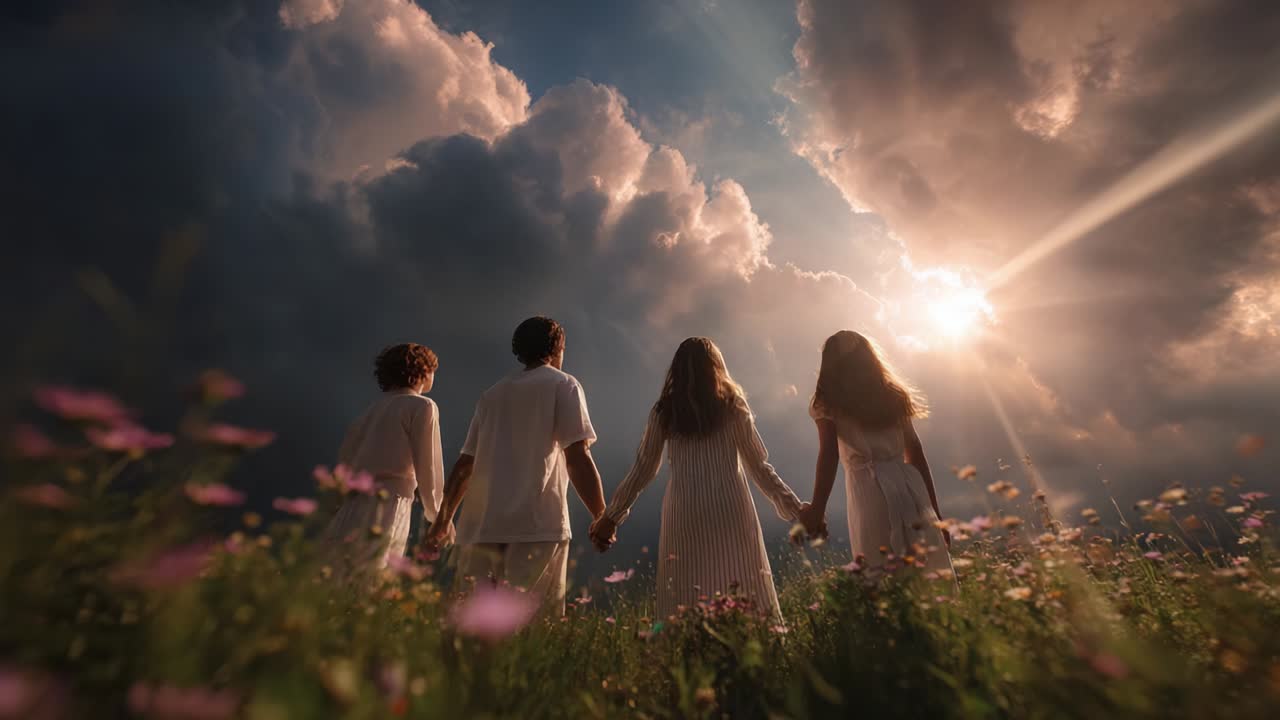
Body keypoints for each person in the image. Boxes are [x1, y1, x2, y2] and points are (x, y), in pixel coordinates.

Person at [589, 337, 806, 621]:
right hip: (731, 509)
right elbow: (759, 468)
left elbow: (644, 469)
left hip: (684, 512)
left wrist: (611, 517)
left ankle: (688, 644)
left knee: (686, 592)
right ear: (716, 367)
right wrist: (797, 511)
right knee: (741, 584)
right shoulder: (733, 406)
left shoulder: (665, 411)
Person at [424, 316, 608, 616]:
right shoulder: (564, 385)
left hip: (482, 529)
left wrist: (443, 520)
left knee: (476, 624)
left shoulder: (492, 395)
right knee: (533, 626)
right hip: (537, 526)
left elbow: (465, 465)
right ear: (558, 348)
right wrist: (601, 515)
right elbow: (577, 457)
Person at [796, 330, 951, 572]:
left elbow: (829, 455)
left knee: (878, 566)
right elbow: (916, 453)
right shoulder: (893, 395)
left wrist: (817, 508)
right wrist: (935, 513)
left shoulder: (827, 402)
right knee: (924, 567)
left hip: (868, 492)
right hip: (910, 489)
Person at [320, 343, 448, 576]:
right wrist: (438, 516)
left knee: (338, 577)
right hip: (389, 505)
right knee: (372, 576)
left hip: (349, 508)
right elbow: (428, 467)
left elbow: (344, 467)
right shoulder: (422, 406)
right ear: (423, 370)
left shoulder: (367, 413)